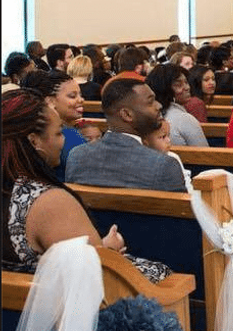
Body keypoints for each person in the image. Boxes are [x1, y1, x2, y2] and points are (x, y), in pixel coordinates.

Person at [1, 89, 171, 283]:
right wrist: (107, 252)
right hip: (78, 304)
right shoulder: (47, 201)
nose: (64, 141)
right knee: (164, 275)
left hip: (18, 303)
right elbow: (96, 278)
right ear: (34, 140)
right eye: (58, 133)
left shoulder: (13, 190)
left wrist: (101, 247)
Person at [65, 79, 186, 192]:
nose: (159, 105)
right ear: (127, 115)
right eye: (150, 102)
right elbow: (183, 212)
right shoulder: (164, 165)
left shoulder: (77, 156)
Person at [21, 70, 87, 183]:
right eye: (72, 96)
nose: (81, 100)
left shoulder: (30, 129)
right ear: (50, 101)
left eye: (80, 95)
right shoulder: (71, 138)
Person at [145, 65, 208, 147]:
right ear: (165, 89)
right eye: (179, 85)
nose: (187, 87)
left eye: (186, 82)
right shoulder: (185, 119)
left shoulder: (146, 117)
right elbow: (205, 154)